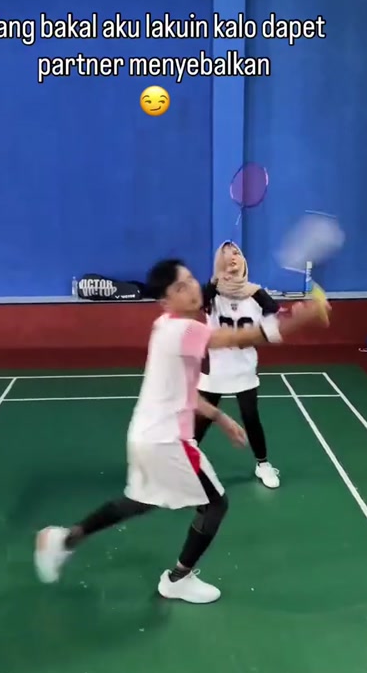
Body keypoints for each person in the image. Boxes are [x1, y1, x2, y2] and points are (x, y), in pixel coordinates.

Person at [34, 259, 329, 605]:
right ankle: (178, 579)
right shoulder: (185, 330)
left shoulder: (164, 327)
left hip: (143, 436)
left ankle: (64, 540)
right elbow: (242, 337)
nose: (190, 289)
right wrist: (301, 319)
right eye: (180, 287)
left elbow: (183, 390)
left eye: (190, 280)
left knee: (140, 501)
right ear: (165, 300)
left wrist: (220, 418)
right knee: (215, 505)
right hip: (167, 441)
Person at [195, 241, 281, 488]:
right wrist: (217, 279)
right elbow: (201, 300)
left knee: (251, 417)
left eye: (236, 253)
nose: (232, 257)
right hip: (215, 369)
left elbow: (273, 314)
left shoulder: (256, 294)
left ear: (244, 261)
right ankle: (185, 463)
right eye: (225, 254)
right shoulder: (212, 295)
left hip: (244, 368)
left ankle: (263, 464)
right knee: (203, 419)